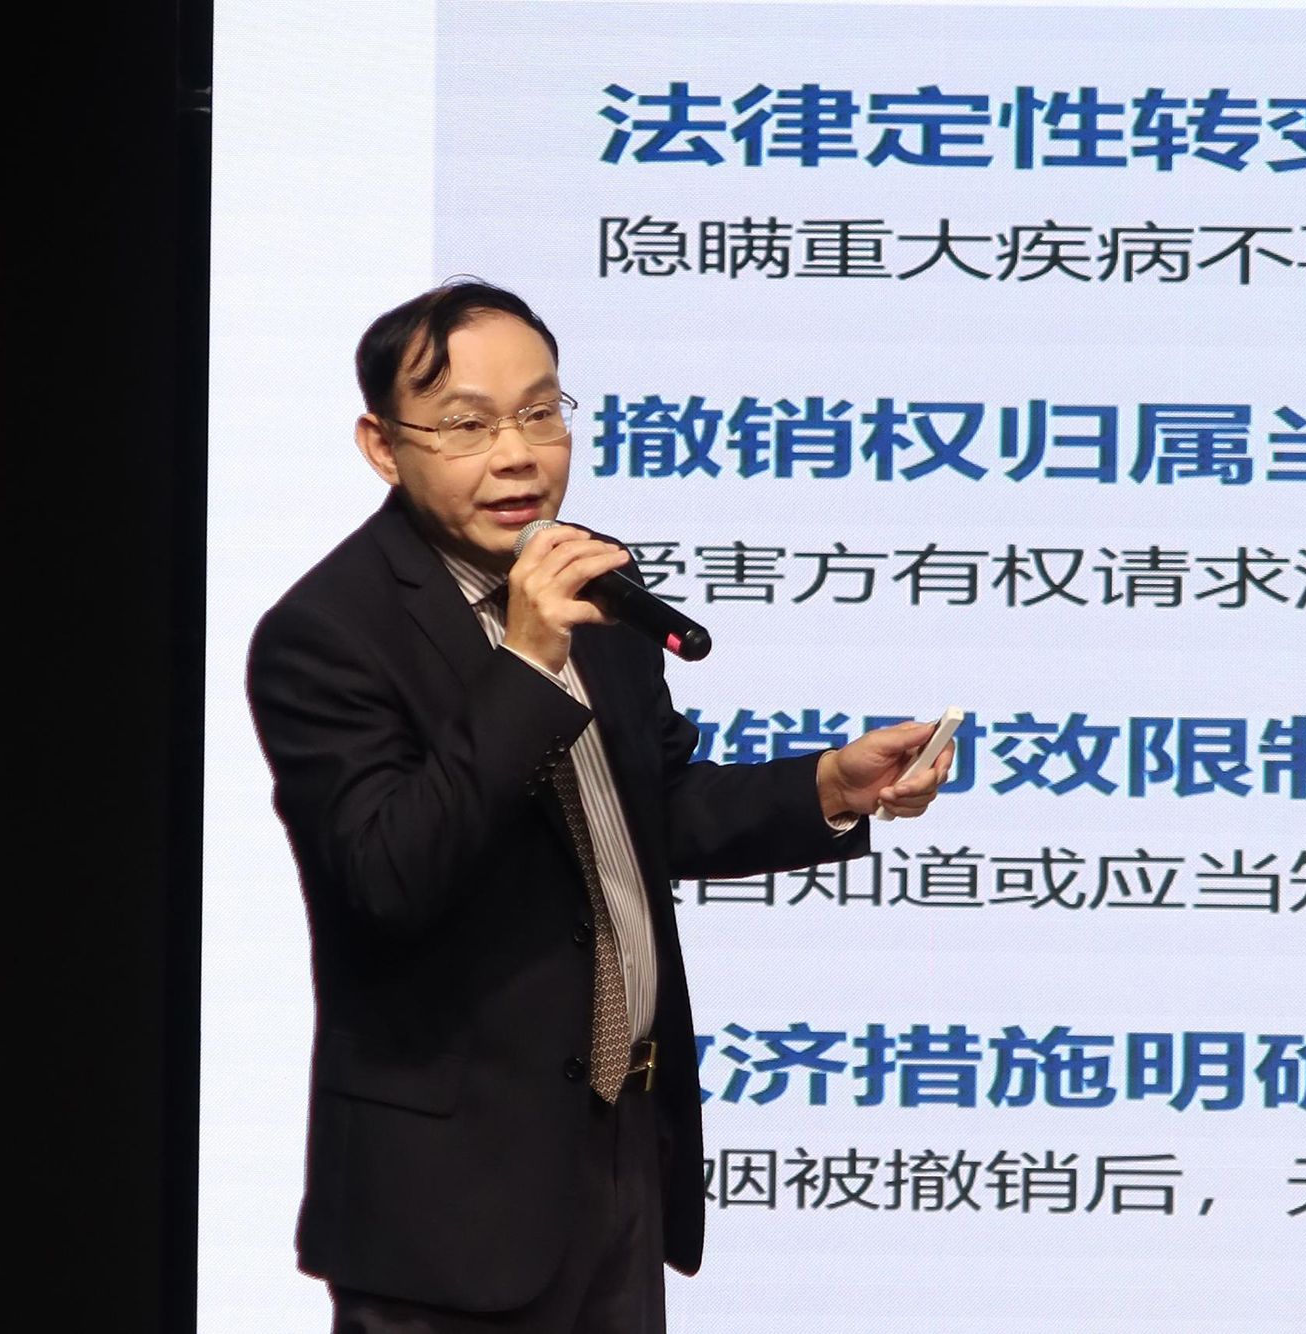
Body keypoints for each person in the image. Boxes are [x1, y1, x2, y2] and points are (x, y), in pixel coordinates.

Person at [246, 280, 952, 1332]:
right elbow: (389, 875)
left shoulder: (589, 583)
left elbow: (651, 808)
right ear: (382, 447)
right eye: (467, 424)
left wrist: (824, 788)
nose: (518, 455)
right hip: (451, 1200)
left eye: (540, 412)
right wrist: (527, 662)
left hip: (618, 1151)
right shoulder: (328, 634)